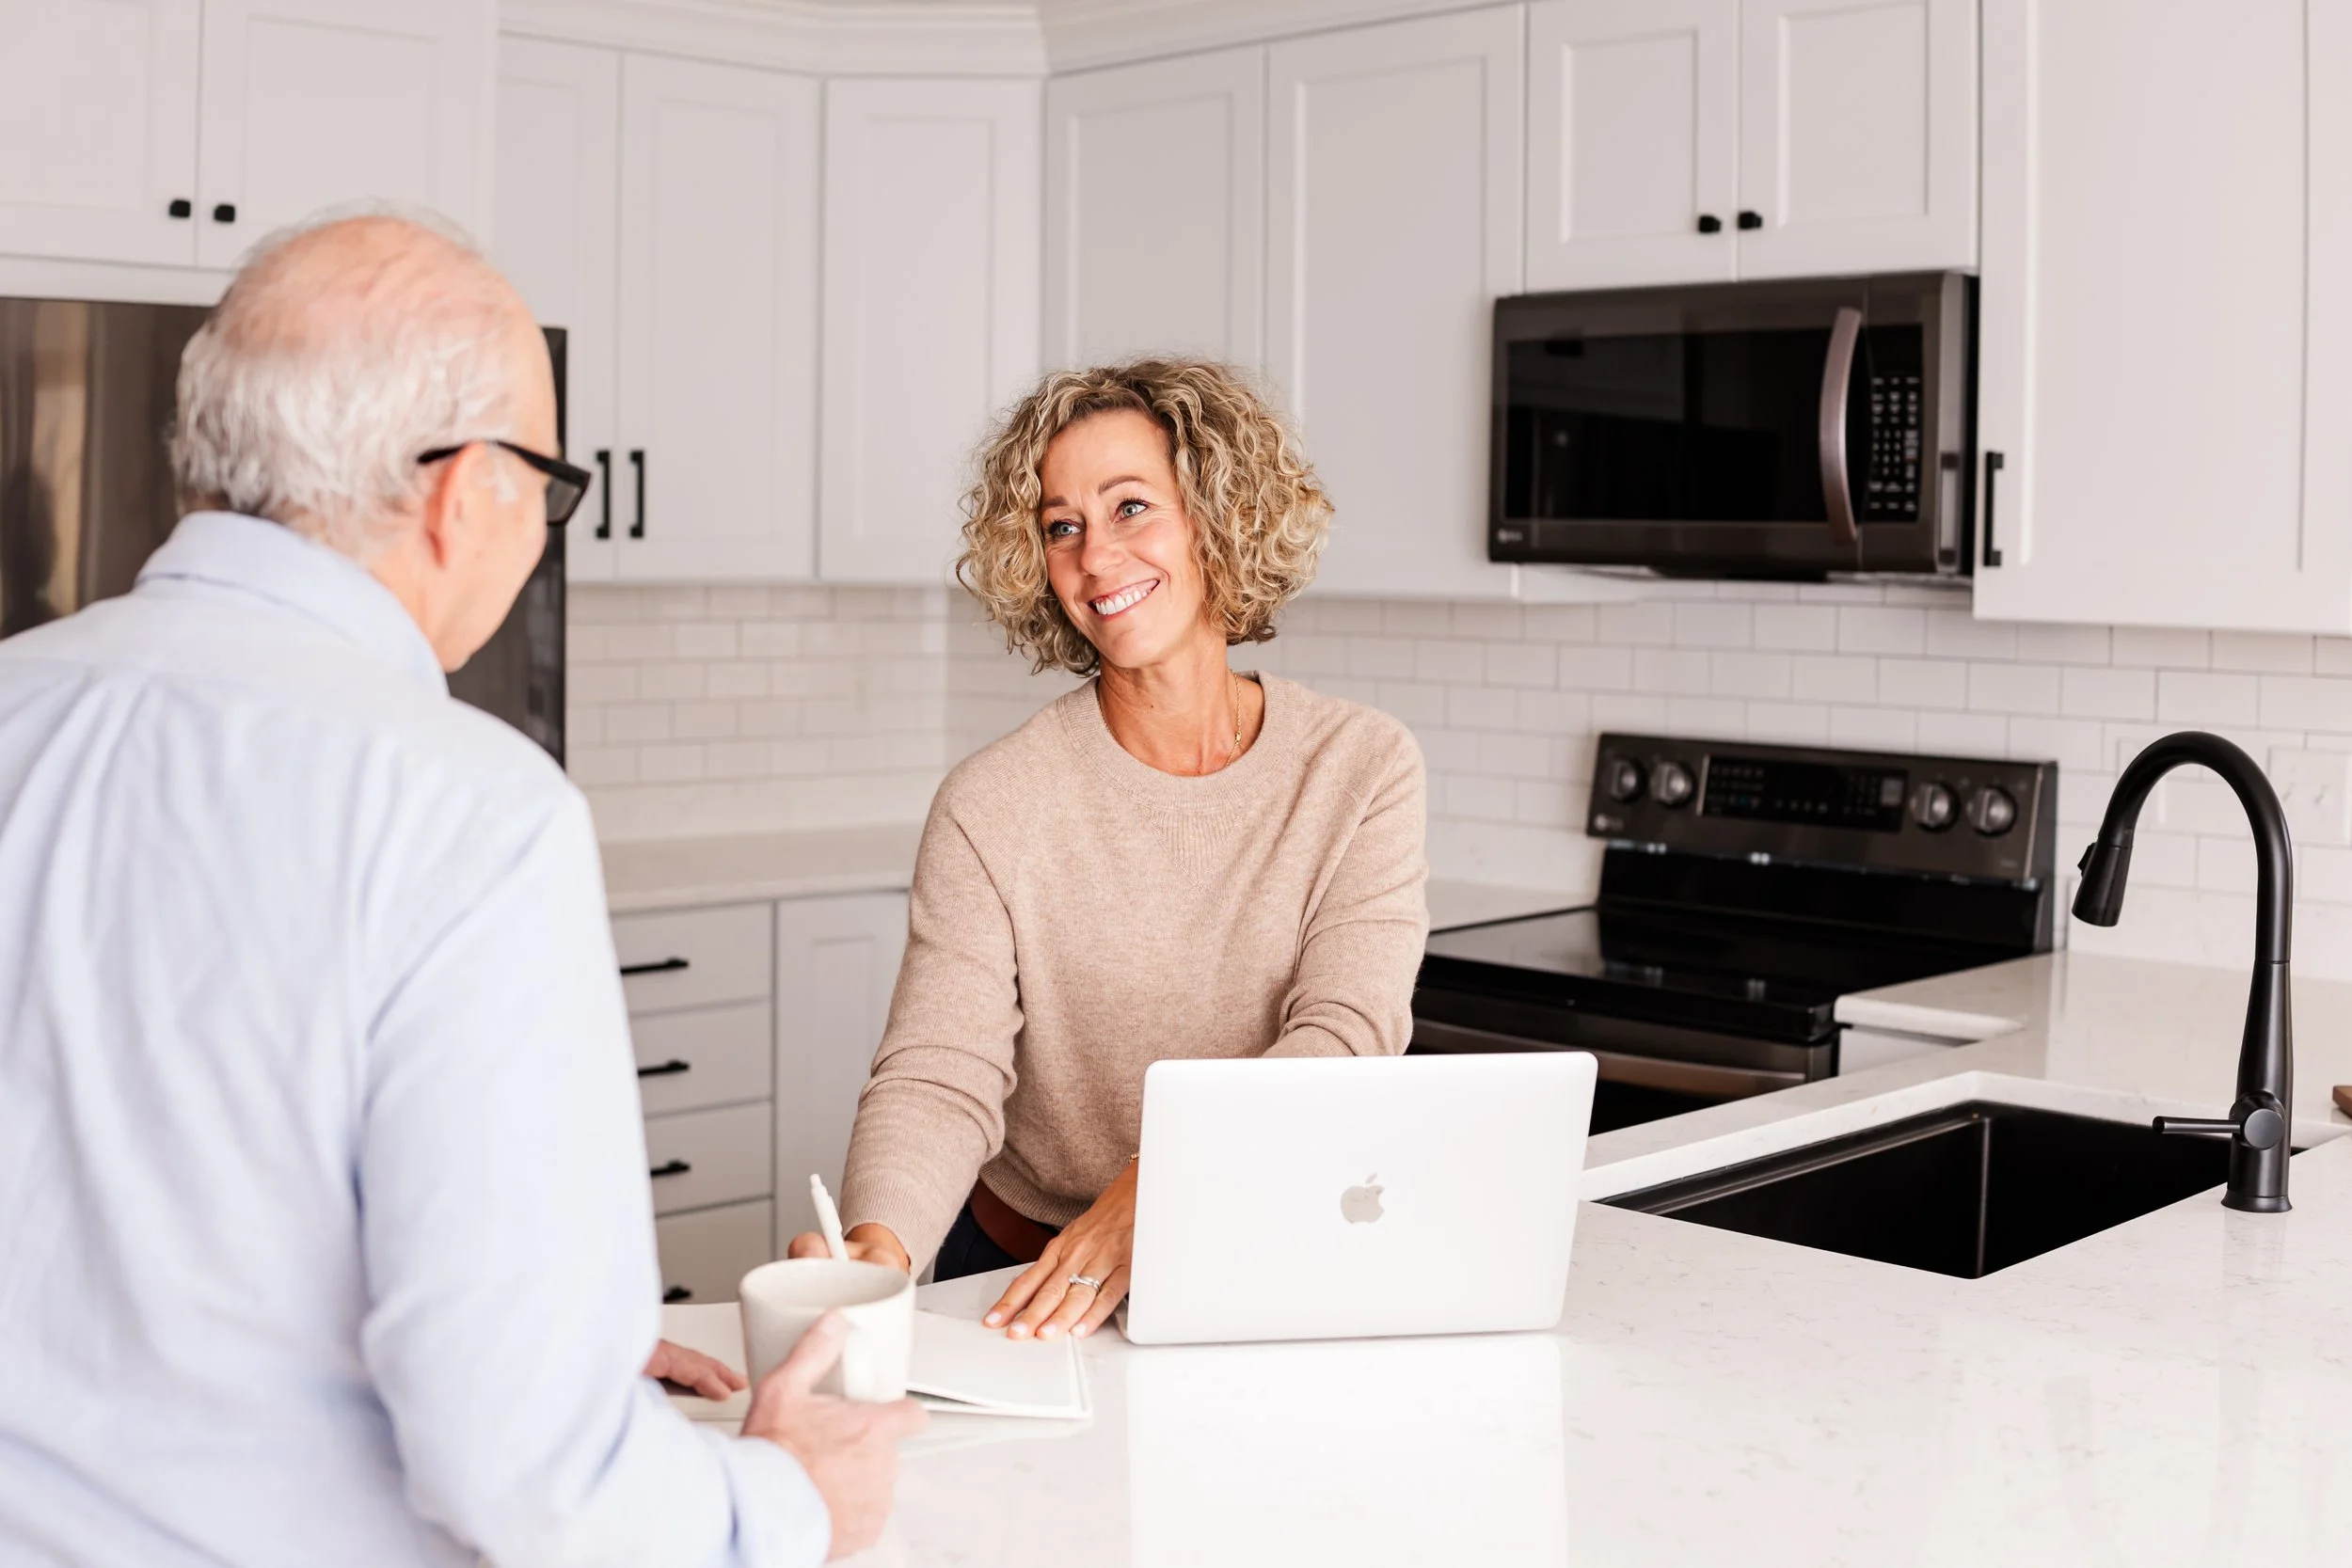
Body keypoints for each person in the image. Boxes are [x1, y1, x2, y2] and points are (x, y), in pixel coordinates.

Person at [0, 214, 921, 1568]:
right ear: (461, 489)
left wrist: (548, 1330)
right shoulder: (470, 811)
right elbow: (532, 1482)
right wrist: (786, 1497)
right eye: (548, 484)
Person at [789, 358, 1428, 1339]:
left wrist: (1165, 1185)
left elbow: (1346, 1035)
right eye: (1061, 525)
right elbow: (939, 1070)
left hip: (1252, 1243)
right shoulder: (992, 801)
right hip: (1022, 1272)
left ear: (1221, 515)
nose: (1094, 558)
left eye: (1131, 507)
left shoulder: (1358, 767)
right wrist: (881, 1244)